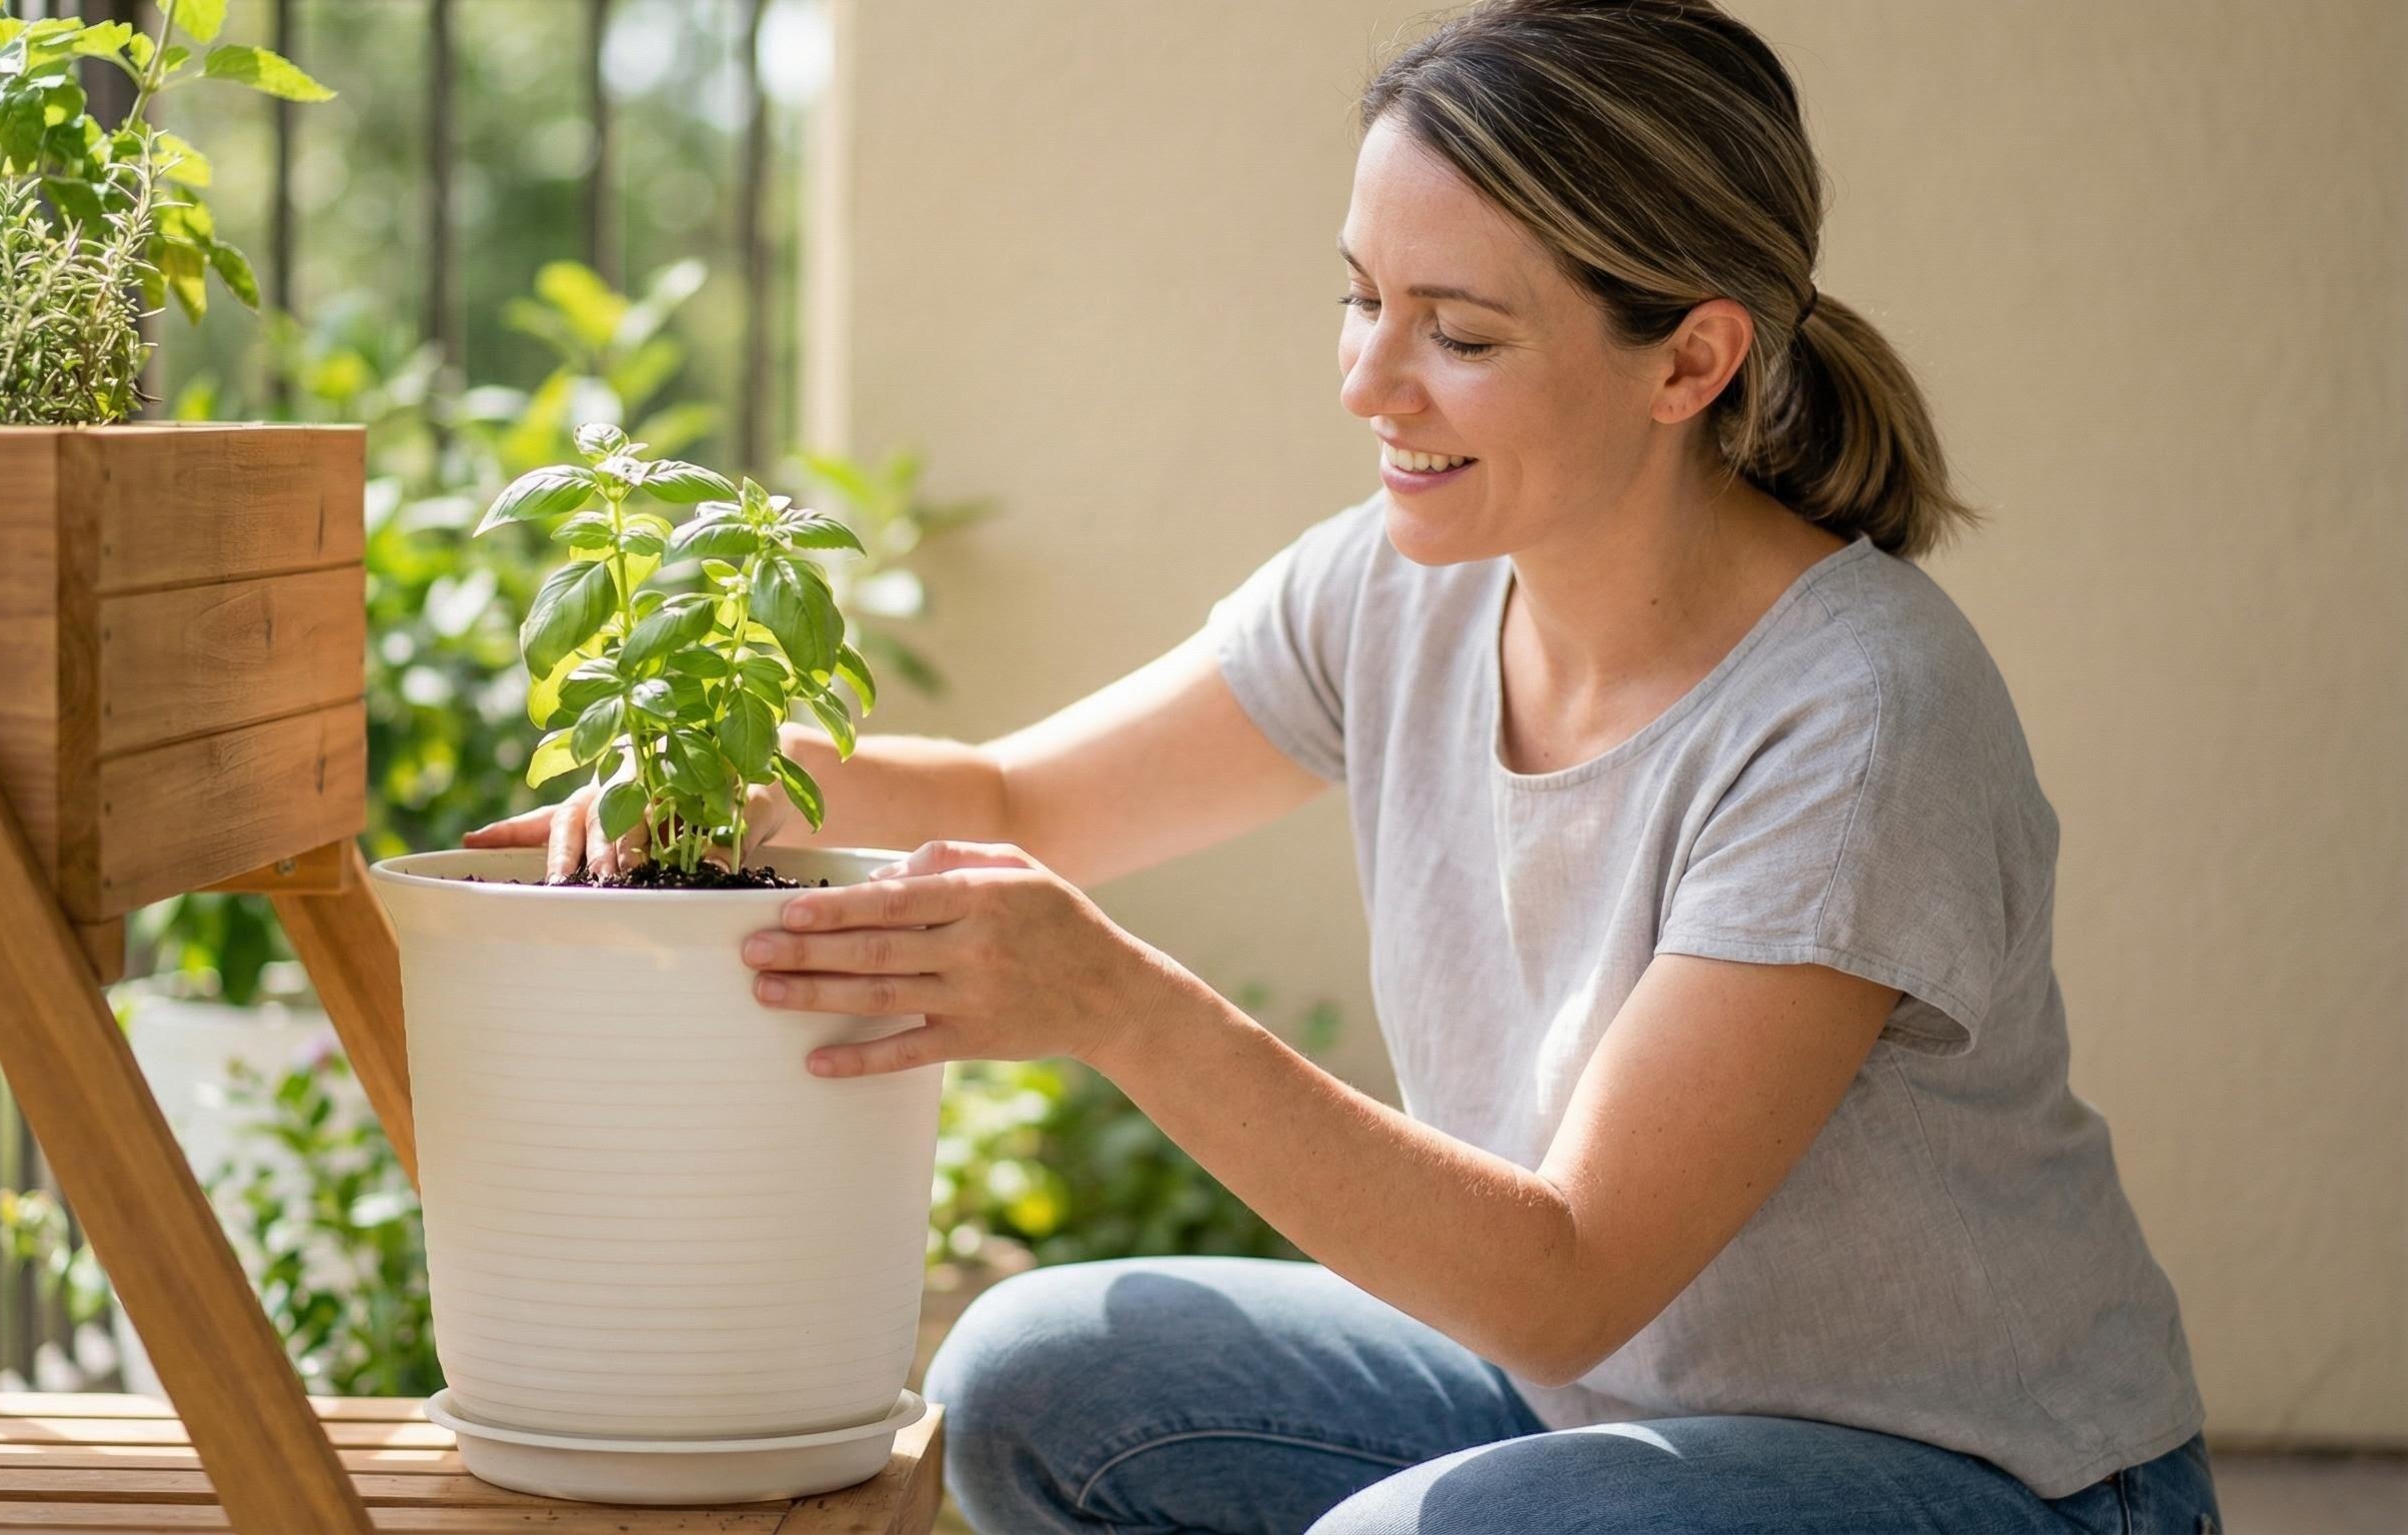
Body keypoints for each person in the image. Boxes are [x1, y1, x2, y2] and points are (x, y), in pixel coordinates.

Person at [468, 1, 2218, 1528]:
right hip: (1593, 1416)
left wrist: (1126, 1008)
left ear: (1691, 357)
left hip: (1979, 1482)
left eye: (1459, 334)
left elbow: (1568, 1274)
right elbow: (1021, 801)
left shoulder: (1856, 719)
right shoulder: (1402, 591)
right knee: (1036, 1377)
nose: (1373, 382)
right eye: (1361, 298)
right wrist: (723, 781)